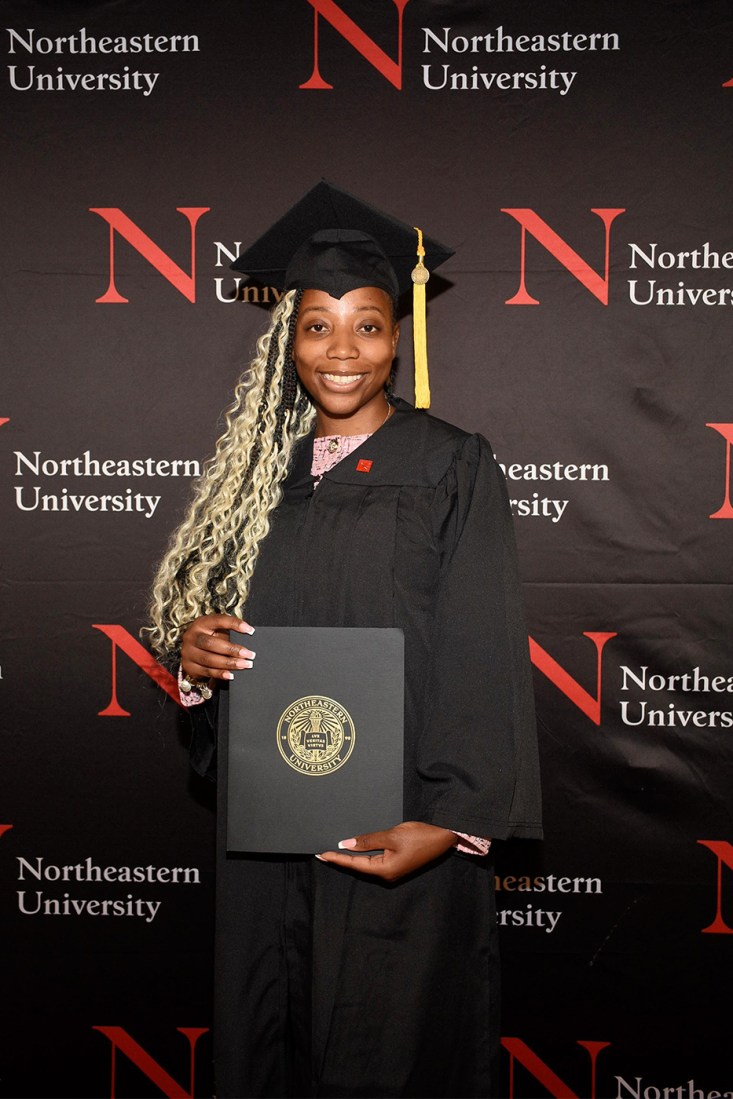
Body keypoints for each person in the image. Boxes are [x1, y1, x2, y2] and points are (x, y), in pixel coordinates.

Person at [146, 182, 542, 1098]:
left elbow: (482, 645)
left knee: (387, 1049)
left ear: (398, 339)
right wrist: (199, 666)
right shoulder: (254, 479)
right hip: (269, 830)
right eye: (317, 324)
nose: (341, 349)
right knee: (266, 1032)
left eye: (366, 324)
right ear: (287, 341)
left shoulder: (448, 464)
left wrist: (447, 824)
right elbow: (222, 639)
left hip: (397, 829)